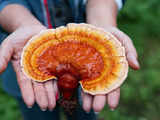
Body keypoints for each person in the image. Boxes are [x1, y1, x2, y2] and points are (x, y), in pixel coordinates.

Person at [0, 0, 140, 120]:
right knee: (38, 111)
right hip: (29, 79)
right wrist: (20, 22)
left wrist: (101, 19)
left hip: (85, 68)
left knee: (85, 110)